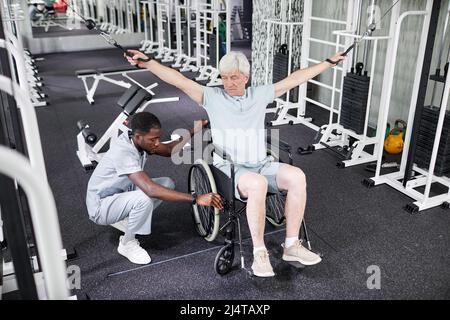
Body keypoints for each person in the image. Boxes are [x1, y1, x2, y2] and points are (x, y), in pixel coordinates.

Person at [125, 49, 345, 277]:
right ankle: (260, 254)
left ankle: (291, 245)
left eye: (234, 77)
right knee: (258, 184)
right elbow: (177, 79)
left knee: (297, 176)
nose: (228, 83)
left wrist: (328, 62)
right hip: (231, 170)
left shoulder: (259, 95)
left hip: (261, 163)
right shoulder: (211, 96)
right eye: (224, 77)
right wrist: (149, 62)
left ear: (246, 78)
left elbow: (296, 78)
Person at [86, 112, 223, 265]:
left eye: (158, 138)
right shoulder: (124, 151)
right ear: (138, 137)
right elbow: (150, 190)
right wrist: (195, 199)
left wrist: (194, 130)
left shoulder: (138, 140)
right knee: (146, 196)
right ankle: (127, 244)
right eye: (153, 139)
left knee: (167, 183)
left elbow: (170, 149)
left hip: (119, 195)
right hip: (100, 207)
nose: (157, 143)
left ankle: (128, 218)